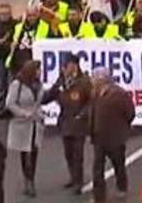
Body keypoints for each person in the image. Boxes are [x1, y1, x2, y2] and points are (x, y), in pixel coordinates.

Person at [42, 52, 93, 193]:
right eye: (63, 66)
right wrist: (37, 97)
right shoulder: (61, 81)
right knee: (68, 153)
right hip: (65, 122)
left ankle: (78, 181)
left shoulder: (84, 82)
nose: (64, 68)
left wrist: (83, 114)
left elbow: (91, 102)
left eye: (67, 65)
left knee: (78, 154)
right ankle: (73, 177)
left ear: (75, 66)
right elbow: (49, 96)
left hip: (79, 124)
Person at [89, 66, 136, 203]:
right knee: (97, 168)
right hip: (98, 137)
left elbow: (130, 113)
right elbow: (92, 112)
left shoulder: (119, 94)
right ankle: (99, 195)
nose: (93, 80)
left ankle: (122, 187)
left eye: (95, 78)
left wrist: (122, 128)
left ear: (102, 79)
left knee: (118, 164)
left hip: (115, 137)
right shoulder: (94, 93)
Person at [5, 60, 43, 197]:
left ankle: (31, 180)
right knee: (23, 152)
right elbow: (10, 103)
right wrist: (23, 113)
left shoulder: (38, 84)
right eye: (38, 70)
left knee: (34, 151)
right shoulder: (17, 85)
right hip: (21, 123)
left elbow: (39, 102)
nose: (40, 72)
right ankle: (27, 179)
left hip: (35, 123)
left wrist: (39, 114)